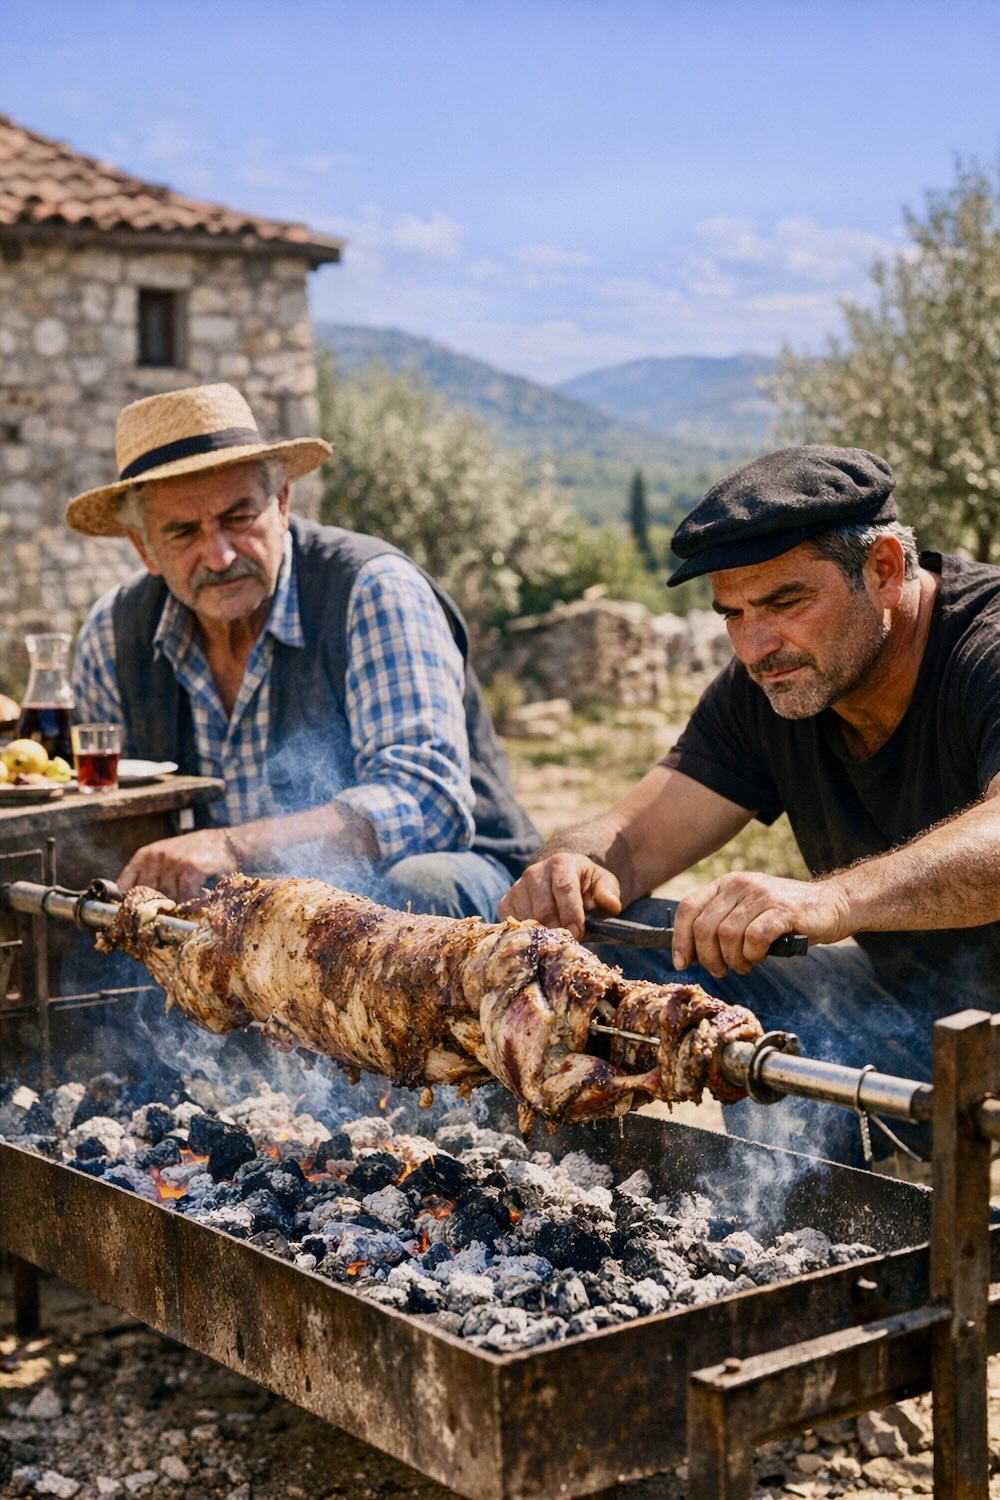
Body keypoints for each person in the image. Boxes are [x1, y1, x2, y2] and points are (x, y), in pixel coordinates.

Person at [499, 445, 1000, 1165]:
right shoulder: (770, 684)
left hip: (985, 1032)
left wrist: (832, 900)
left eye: (785, 603)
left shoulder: (987, 641)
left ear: (884, 570)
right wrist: (568, 865)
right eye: (732, 613)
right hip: (904, 1003)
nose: (756, 646)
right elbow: (632, 839)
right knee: (612, 938)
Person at [67, 382, 539, 917]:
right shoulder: (115, 632)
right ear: (145, 548)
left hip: (454, 886)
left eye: (238, 518)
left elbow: (426, 801)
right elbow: (101, 816)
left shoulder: (370, 590)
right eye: (183, 533)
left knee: (417, 884)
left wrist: (231, 846)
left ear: (282, 503)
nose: (219, 556)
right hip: (239, 921)